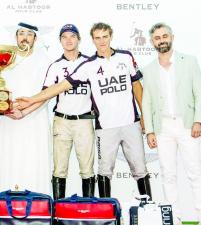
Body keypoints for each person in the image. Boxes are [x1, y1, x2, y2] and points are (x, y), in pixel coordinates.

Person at [16, 22, 152, 199]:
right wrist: (30, 101)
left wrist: (144, 117)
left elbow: (137, 86)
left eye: (105, 36)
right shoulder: (86, 66)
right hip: (90, 125)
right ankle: (89, 213)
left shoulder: (122, 58)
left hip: (113, 122)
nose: (102, 41)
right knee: (92, 171)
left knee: (136, 169)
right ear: (92, 40)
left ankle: (146, 210)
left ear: (111, 36)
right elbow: (58, 88)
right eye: (97, 37)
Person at [142, 23, 201, 225]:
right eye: (157, 38)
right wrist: (150, 132)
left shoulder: (189, 61)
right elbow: (146, 102)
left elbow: (200, 94)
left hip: (187, 124)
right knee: (168, 174)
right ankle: (174, 219)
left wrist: (198, 120)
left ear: (172, 37)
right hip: (163, 128)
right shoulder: (148, 69)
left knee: (195, 172)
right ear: (152, 42)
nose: (161, 40)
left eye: (164, 36)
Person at [0, 22, 52, 195]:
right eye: (21, 33)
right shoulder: (5, 60)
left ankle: (37, 209)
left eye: (29, 34)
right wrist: (6, 108)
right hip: (9, 119)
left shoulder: (45, 60)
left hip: (35, 120)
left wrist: (25, 111)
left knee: (33, 162)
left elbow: (47, 93)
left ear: (35, 38)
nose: (24, 37)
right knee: (9, 160)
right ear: (16, 36)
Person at [43, 24, 95, 199]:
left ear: (79, 39)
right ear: (60, 41)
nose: (69, 40)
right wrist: (25, 108)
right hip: (62, 121)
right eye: (64, 37)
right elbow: (45, 94)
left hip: (84, 121)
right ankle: (58, 212)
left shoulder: (90, 63)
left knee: (87, 168)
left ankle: (88, 211)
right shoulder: (55, 66)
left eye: (72, 36)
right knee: (59, 168)